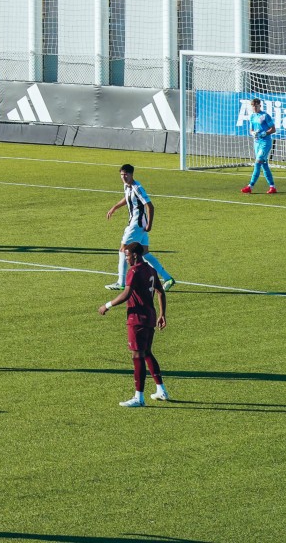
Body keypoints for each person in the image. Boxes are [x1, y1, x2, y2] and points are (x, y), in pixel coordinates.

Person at [100, 241, 169, 407]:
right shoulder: (151, 270)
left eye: (127, 256)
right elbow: (161, 292)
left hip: (137, 318)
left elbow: (126, 293)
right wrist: (162, 314)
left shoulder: (134, 271)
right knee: (147, 353)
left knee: (137, 355)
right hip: (150, 317)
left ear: (135, 255)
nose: (126, 259)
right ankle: (161, 390)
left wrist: (107, 305)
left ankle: (139, 397)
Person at [105, 165, 174, 291]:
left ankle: (121, 282)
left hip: (137, 225)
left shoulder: (137, 188)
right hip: (135, 224)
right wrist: (114, 207)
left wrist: (149, 225)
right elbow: (127, 198)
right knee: (145, 253)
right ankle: (167, 278)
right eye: (121, 175)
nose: (123, 177)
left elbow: (150, 206)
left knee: (123, 249)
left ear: (132, 174)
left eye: (126, 174)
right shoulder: (127, 186)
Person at [244, 97, 279, 194]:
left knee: (257, 162)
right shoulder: (252, 116)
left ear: (260, 105)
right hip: (257, 143)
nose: (254, 108)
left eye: (256, 106)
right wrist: (253, 133)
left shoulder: (265, 116)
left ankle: (250, 186)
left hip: (265, 142)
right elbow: (251, 130)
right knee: (264, 165)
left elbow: (273, 129)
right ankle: (272, 187)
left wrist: (264, 133)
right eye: (253, 106)